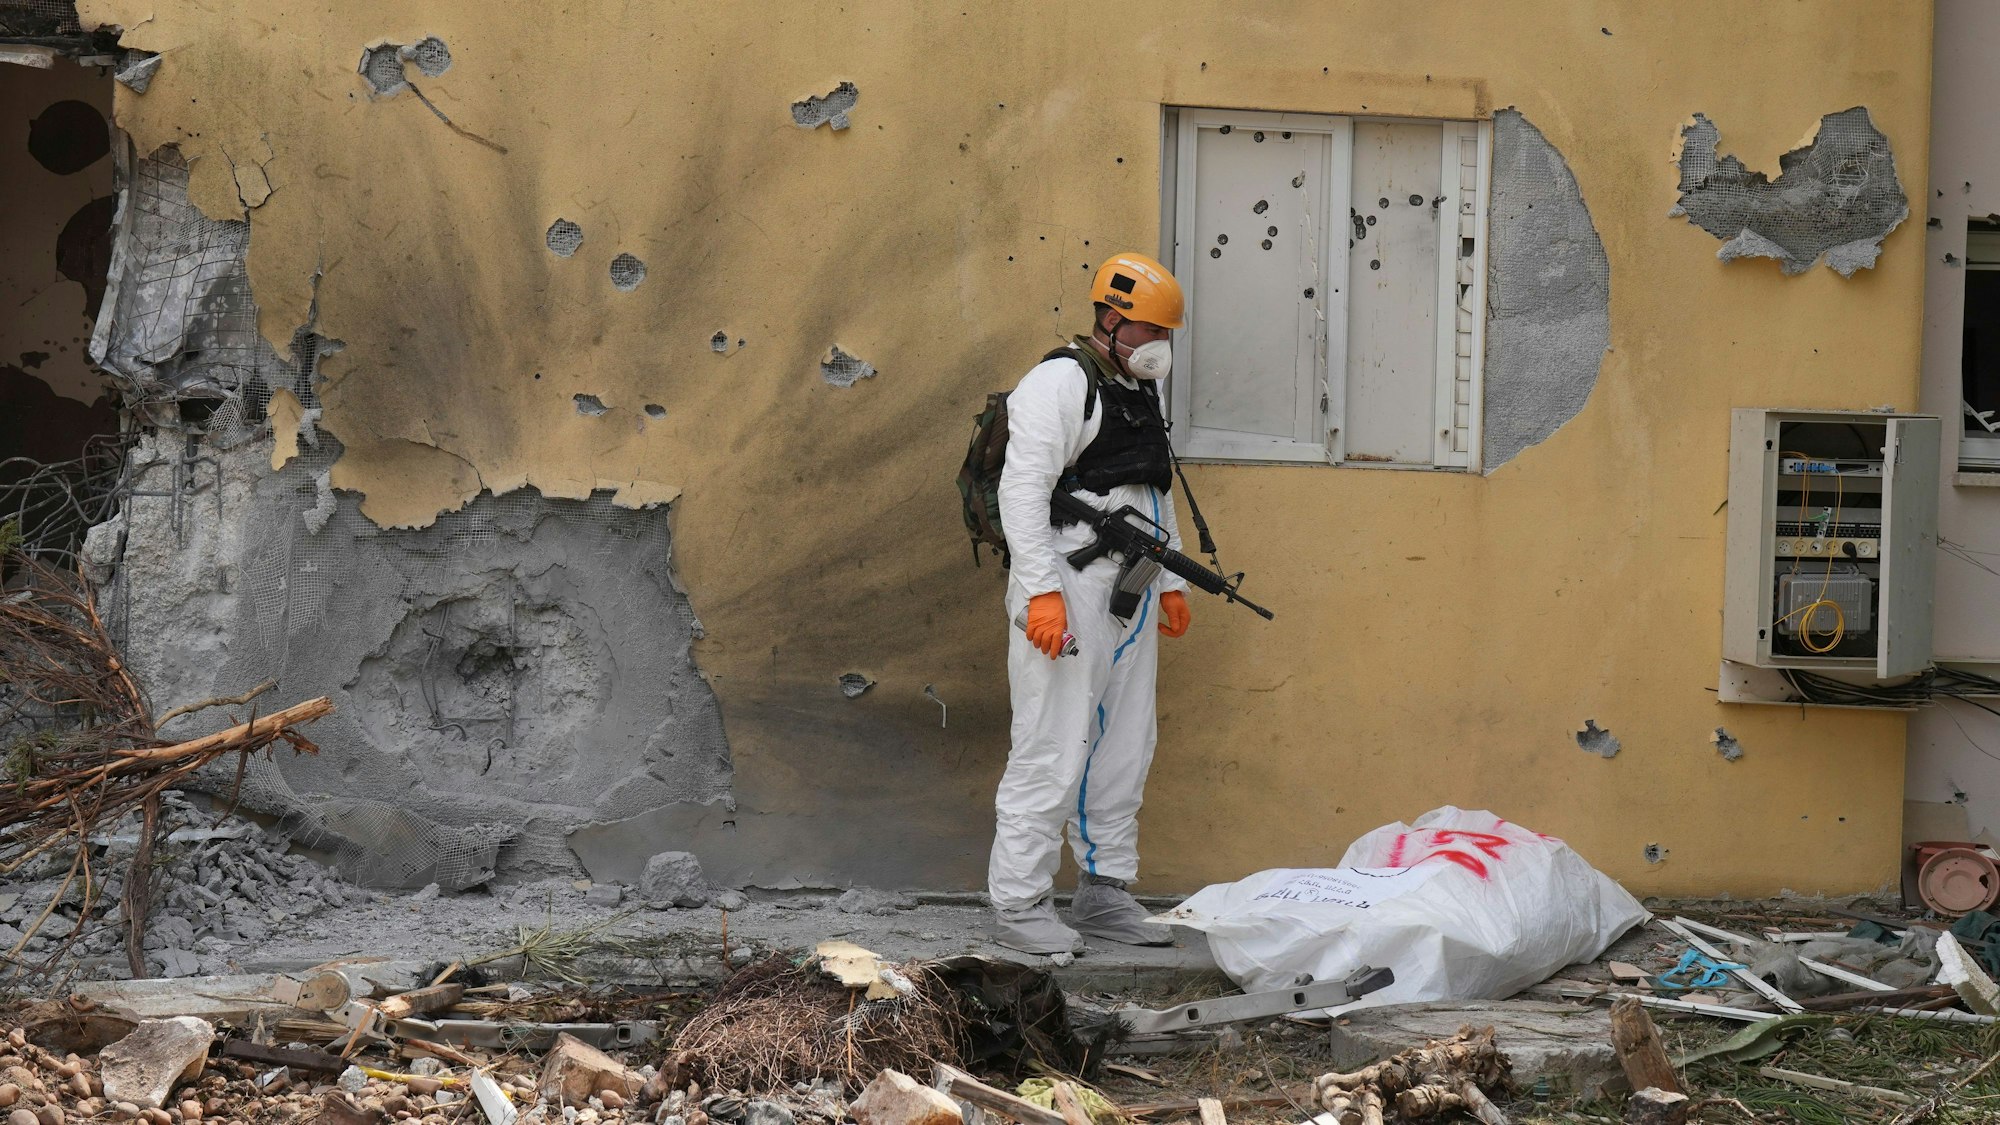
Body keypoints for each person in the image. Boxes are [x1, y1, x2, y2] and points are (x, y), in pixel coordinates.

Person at [988, 251, 1193, 955]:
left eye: (1166, 333)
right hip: (1068, 586)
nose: (1157, 347)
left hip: (1129, 587)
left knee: (1125, 744)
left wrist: (1172, 583)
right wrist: (1040, 593)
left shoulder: (1136, 394)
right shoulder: (1059, 383)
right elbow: (1023, 491)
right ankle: (1019, 903)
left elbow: (1150, 490)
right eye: (1146, 330)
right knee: (1053, 742)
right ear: (1110, 320)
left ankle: (1106, 892)